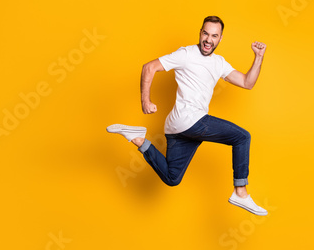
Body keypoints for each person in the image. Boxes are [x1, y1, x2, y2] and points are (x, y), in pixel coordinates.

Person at [107, 16, 268, 215]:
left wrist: (258, 57)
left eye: (214, 36)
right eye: (205, 34)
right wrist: (145, 101)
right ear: (200, 33)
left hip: (178, 128)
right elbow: (149, 67)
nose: (208, 40)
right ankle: (240, 192)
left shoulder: (219, 63)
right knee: (242, 137)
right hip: (190, 120)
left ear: (220, 39)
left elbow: (247, 83)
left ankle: (137, 138)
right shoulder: (186, 54)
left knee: (172, 178)